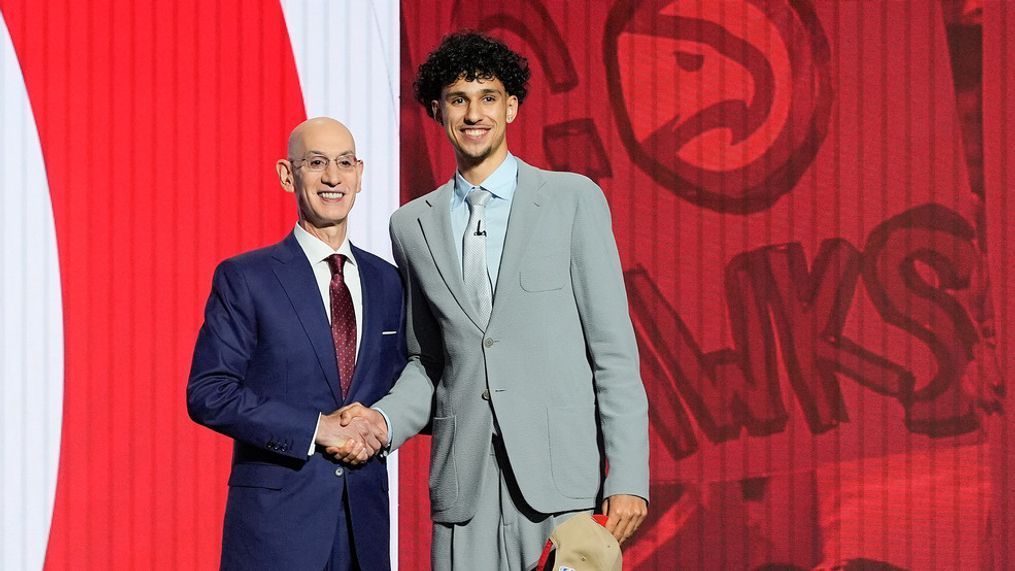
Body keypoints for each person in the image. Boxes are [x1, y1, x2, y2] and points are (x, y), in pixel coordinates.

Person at [338, 32, 649, 569]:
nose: (474, 112)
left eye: (487, 97)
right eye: (459, 99)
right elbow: (428, 361)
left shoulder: (573, 199)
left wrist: (627, 476)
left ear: (511, 106)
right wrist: (380, 422)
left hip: (561, 490)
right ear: (438, 110)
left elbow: (613, 353)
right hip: (465, 493)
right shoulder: (410, 225)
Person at [187, 117, 405, 570]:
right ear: (288, 174)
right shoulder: (247, 278)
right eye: (317, 163)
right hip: (276, 533)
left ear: (360, 174)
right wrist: (316, 428)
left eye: (344, 163)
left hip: (363, 527)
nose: (332, 177)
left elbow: (407, 384)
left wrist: (379, 423)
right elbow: (209, 392)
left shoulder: (389, 281)